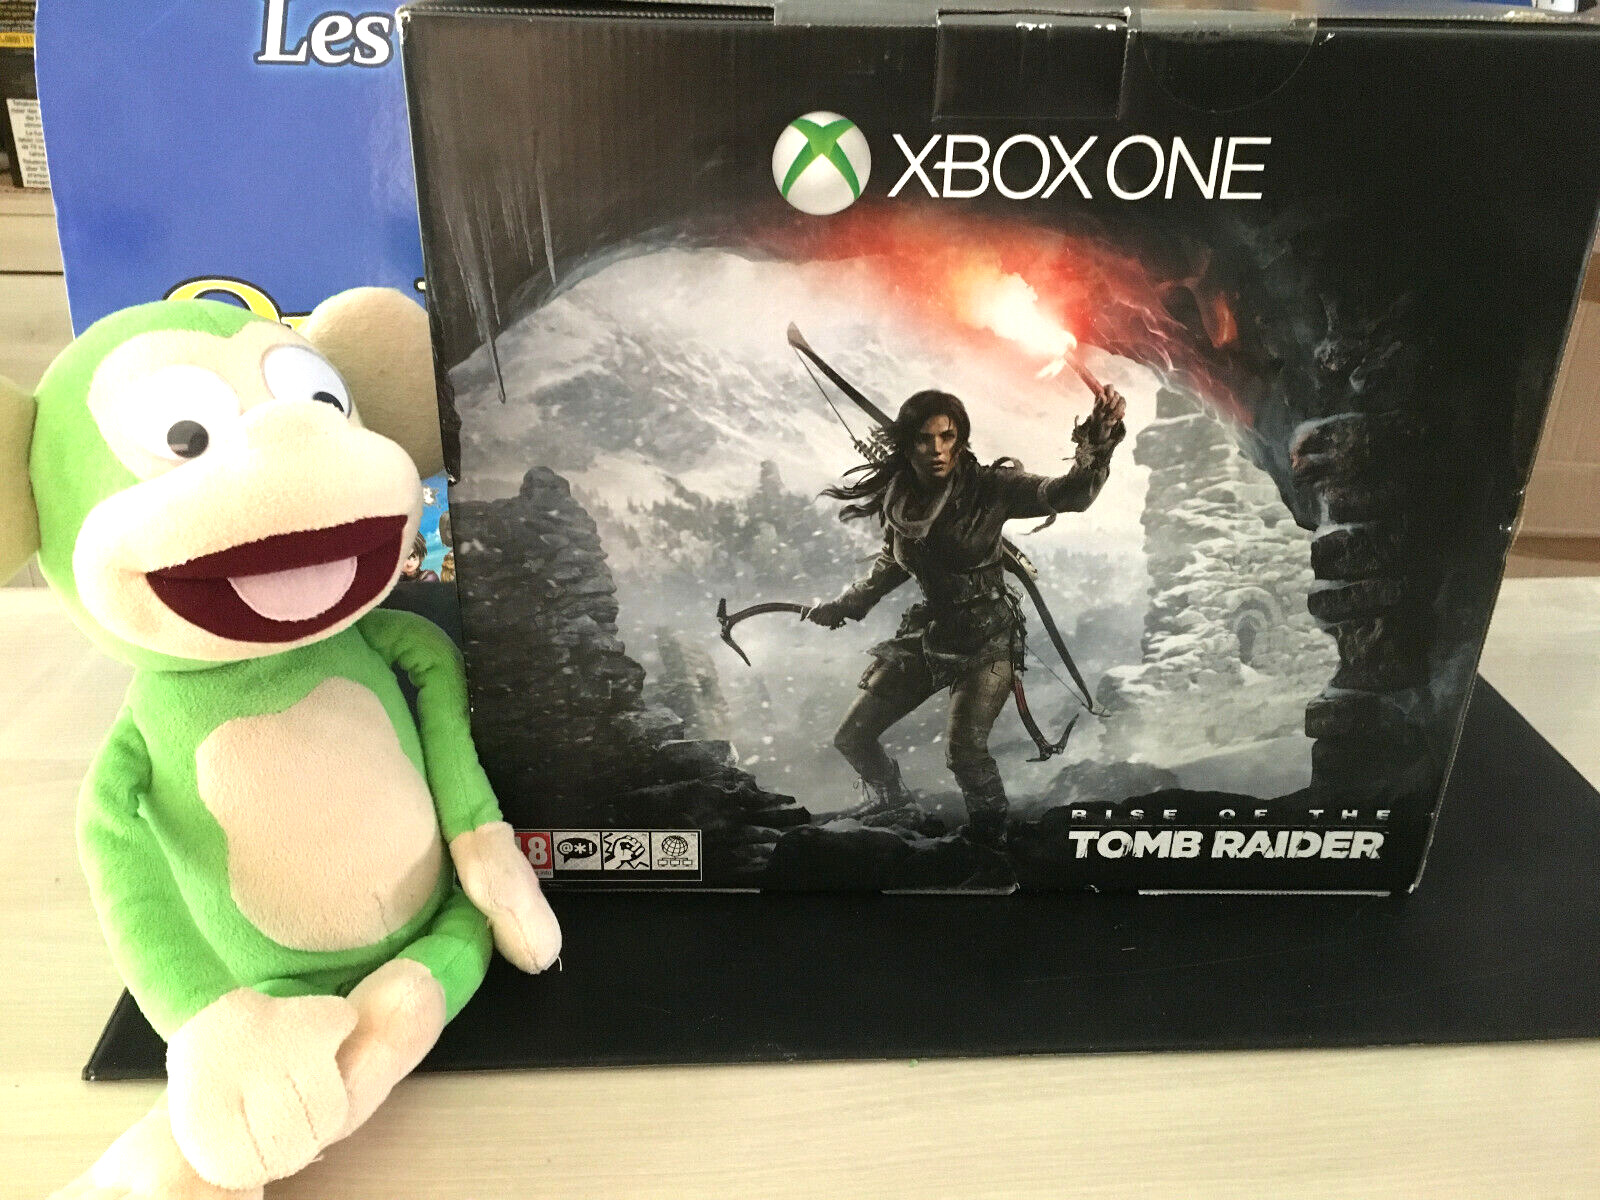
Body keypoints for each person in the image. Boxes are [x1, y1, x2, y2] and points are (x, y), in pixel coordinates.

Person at [808, 386, 1126, 845]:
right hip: (932, 634)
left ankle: (991, 842)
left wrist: (1100, 436)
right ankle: (897, 805)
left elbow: (1070, 494)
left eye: (947, 437)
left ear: (960, 440)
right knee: (853, 737)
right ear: (907, 444)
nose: (936, 450)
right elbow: (893, 563)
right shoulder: (900, 499)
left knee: (965, 753)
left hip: (989, 640)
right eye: (924, 439)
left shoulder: (991, 488)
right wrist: (845, 605)